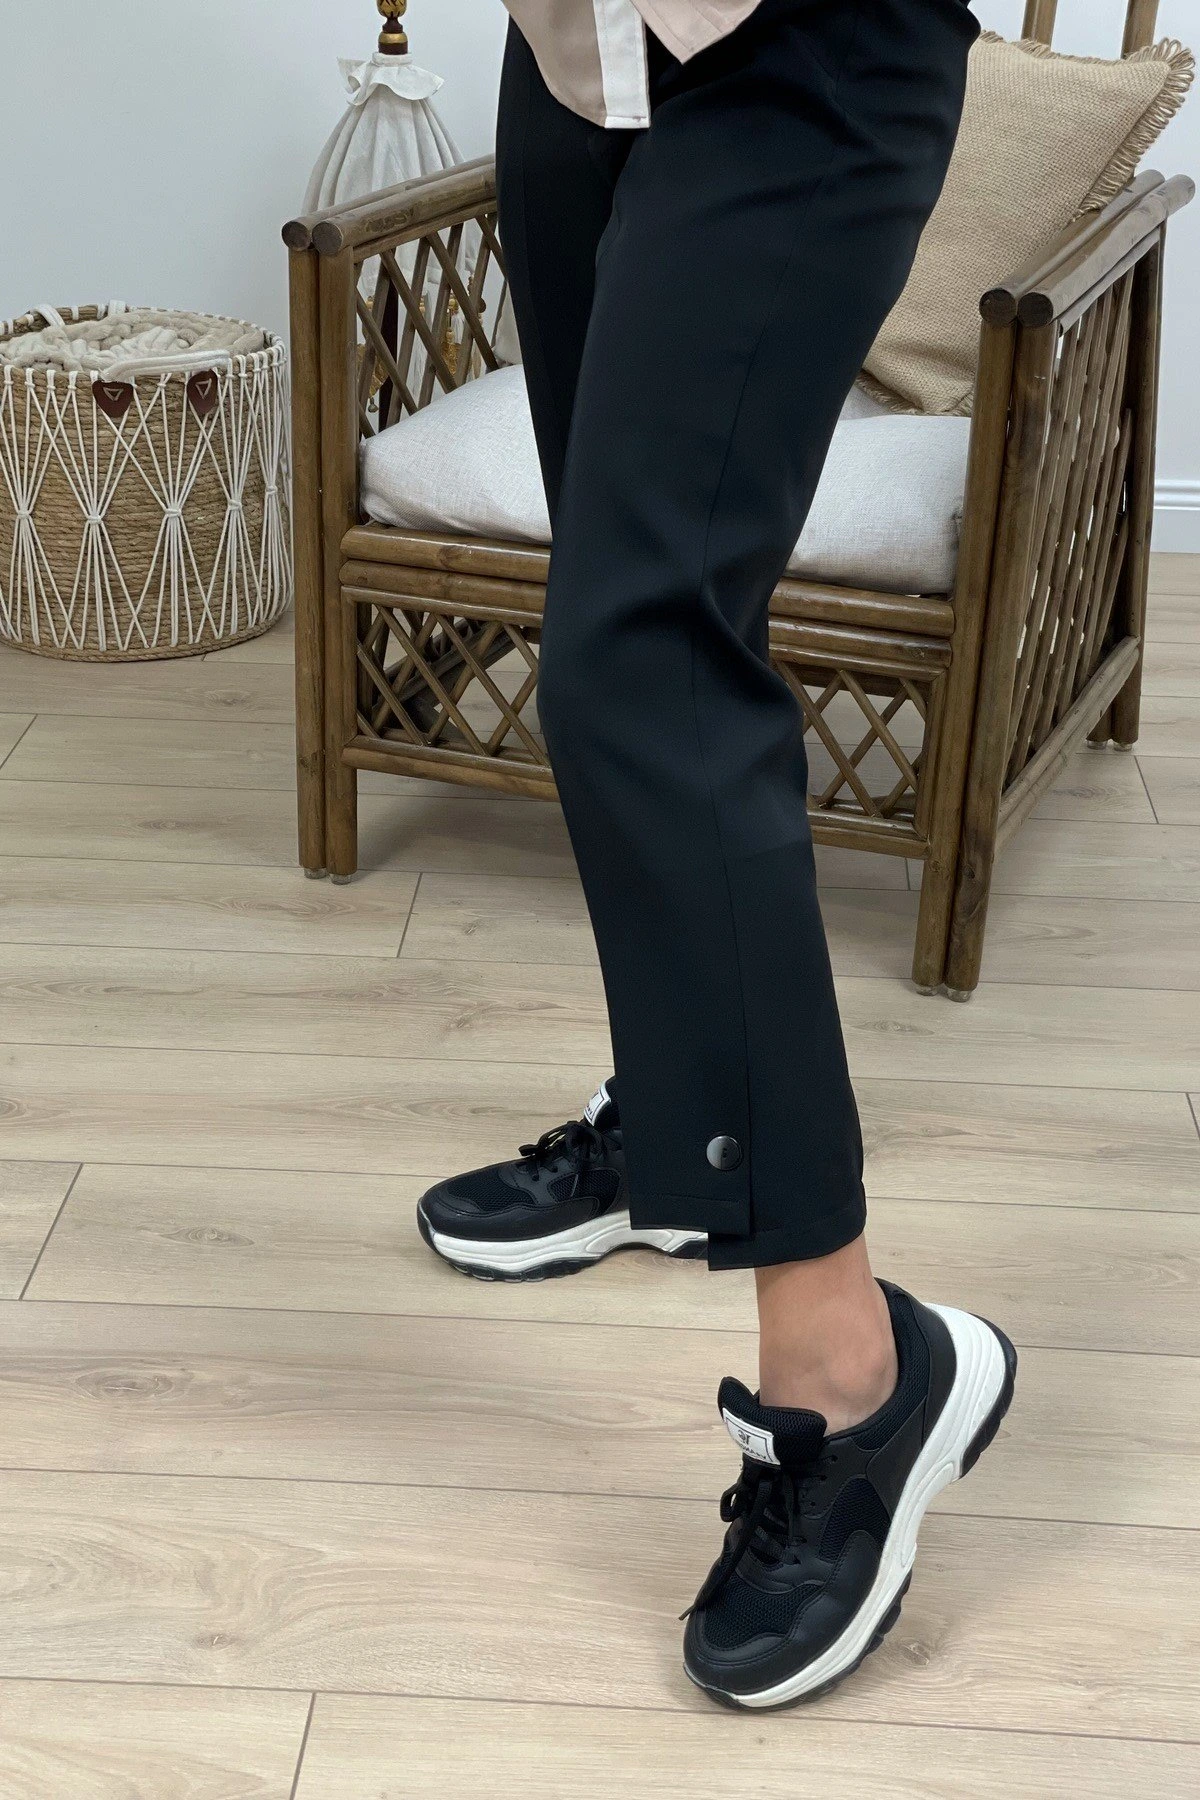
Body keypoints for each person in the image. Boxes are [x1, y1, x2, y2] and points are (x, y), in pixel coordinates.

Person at [417, 0, 1015, 1709]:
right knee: (632, 599)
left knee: (643, 664)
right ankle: (681, 1116)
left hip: (806, 40)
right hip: (576, 53)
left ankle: (858, 1370)